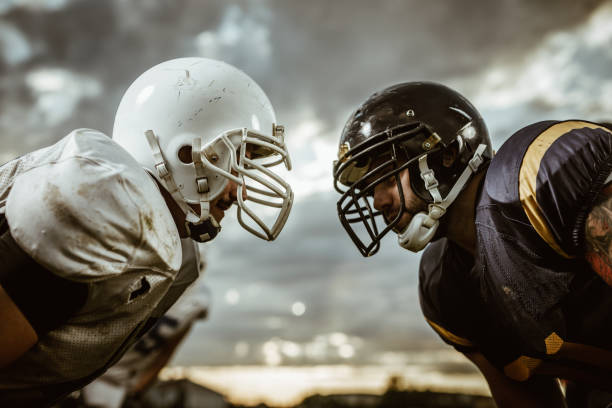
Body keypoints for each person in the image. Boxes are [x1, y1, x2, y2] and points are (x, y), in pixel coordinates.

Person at [0, 57, 293, 407]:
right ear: (186, 153)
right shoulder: (107, 204)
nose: (238, 190)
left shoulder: (175, 252)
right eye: (236, 161)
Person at [332, 81, 612, 407]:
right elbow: (527, 398)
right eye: (369, 189)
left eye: (386, 175)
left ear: (447, 155)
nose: (378, 201)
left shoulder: (537, 177)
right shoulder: (445, 287)